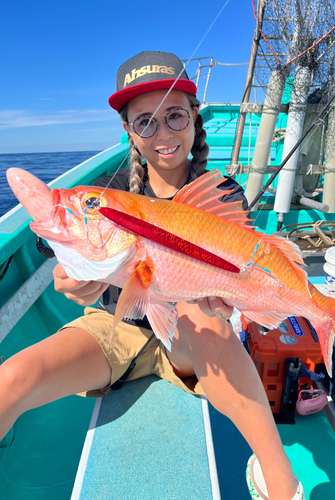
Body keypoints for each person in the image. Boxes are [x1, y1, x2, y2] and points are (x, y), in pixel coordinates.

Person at [0, 51, 304, 500]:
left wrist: (231, 299)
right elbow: (62, 249)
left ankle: (281, 478)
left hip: (189, 336)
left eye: (175, 116)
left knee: (206, 320)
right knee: (12, 378)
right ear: (128, 131)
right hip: (114, 325)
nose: (162, 133)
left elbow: (232, 276)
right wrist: (69, 280)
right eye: (145, 122)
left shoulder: (219, 193)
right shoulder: (108, 193)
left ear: (194, 119)